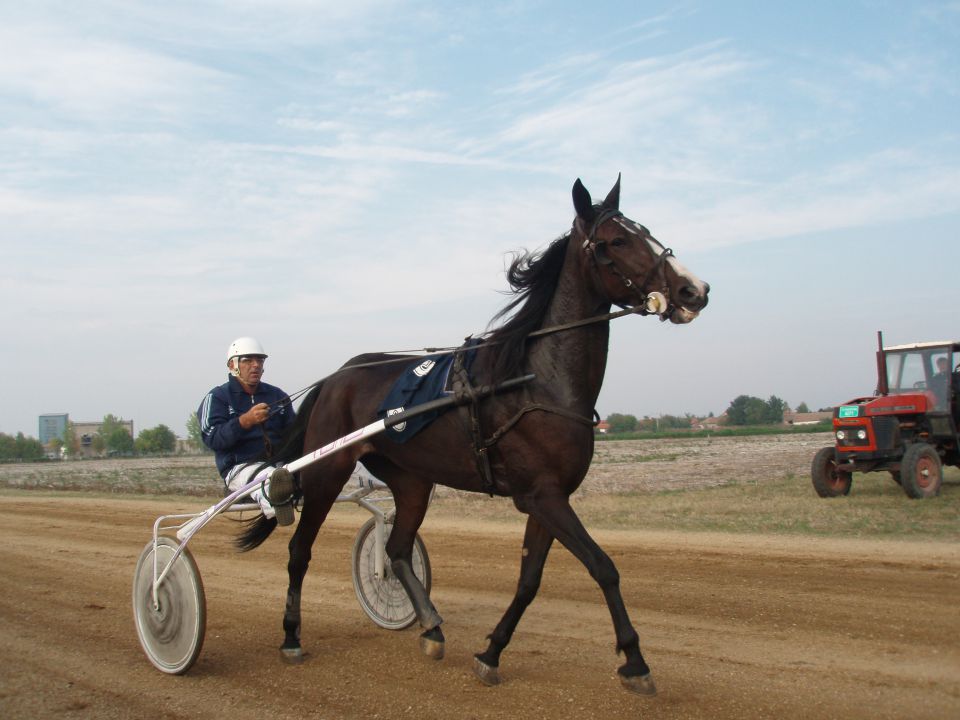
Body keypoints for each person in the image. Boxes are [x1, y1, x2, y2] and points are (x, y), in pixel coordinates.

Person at [196, 337, 297, 525]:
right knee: (271, 479)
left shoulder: (278, 396)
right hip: (239, 467)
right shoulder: (218, 397)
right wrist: (244, 421)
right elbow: (213, 438)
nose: (256, 365)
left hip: (278, 464)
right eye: (248, 360)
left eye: (260, 360)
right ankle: (273, 502)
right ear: (233, 365)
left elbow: (294, 433)